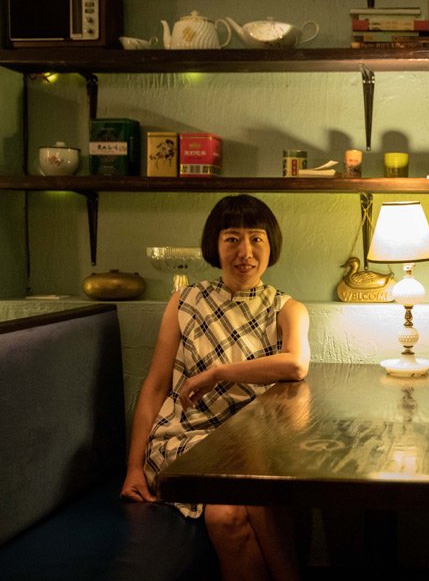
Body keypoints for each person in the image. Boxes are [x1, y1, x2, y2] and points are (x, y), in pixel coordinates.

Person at [120, 194, 311, 581]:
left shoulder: (287, 308)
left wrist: (218, 373)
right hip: (186, 439)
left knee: (226, 513)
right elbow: (155, 388)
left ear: (271, 245)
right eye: (232, 239)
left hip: (255, 442)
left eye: (256, 239)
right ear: (215, 245)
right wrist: (133, 468)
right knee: (245, 483)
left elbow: (295, 364)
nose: (245, 252)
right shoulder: (185, 301)